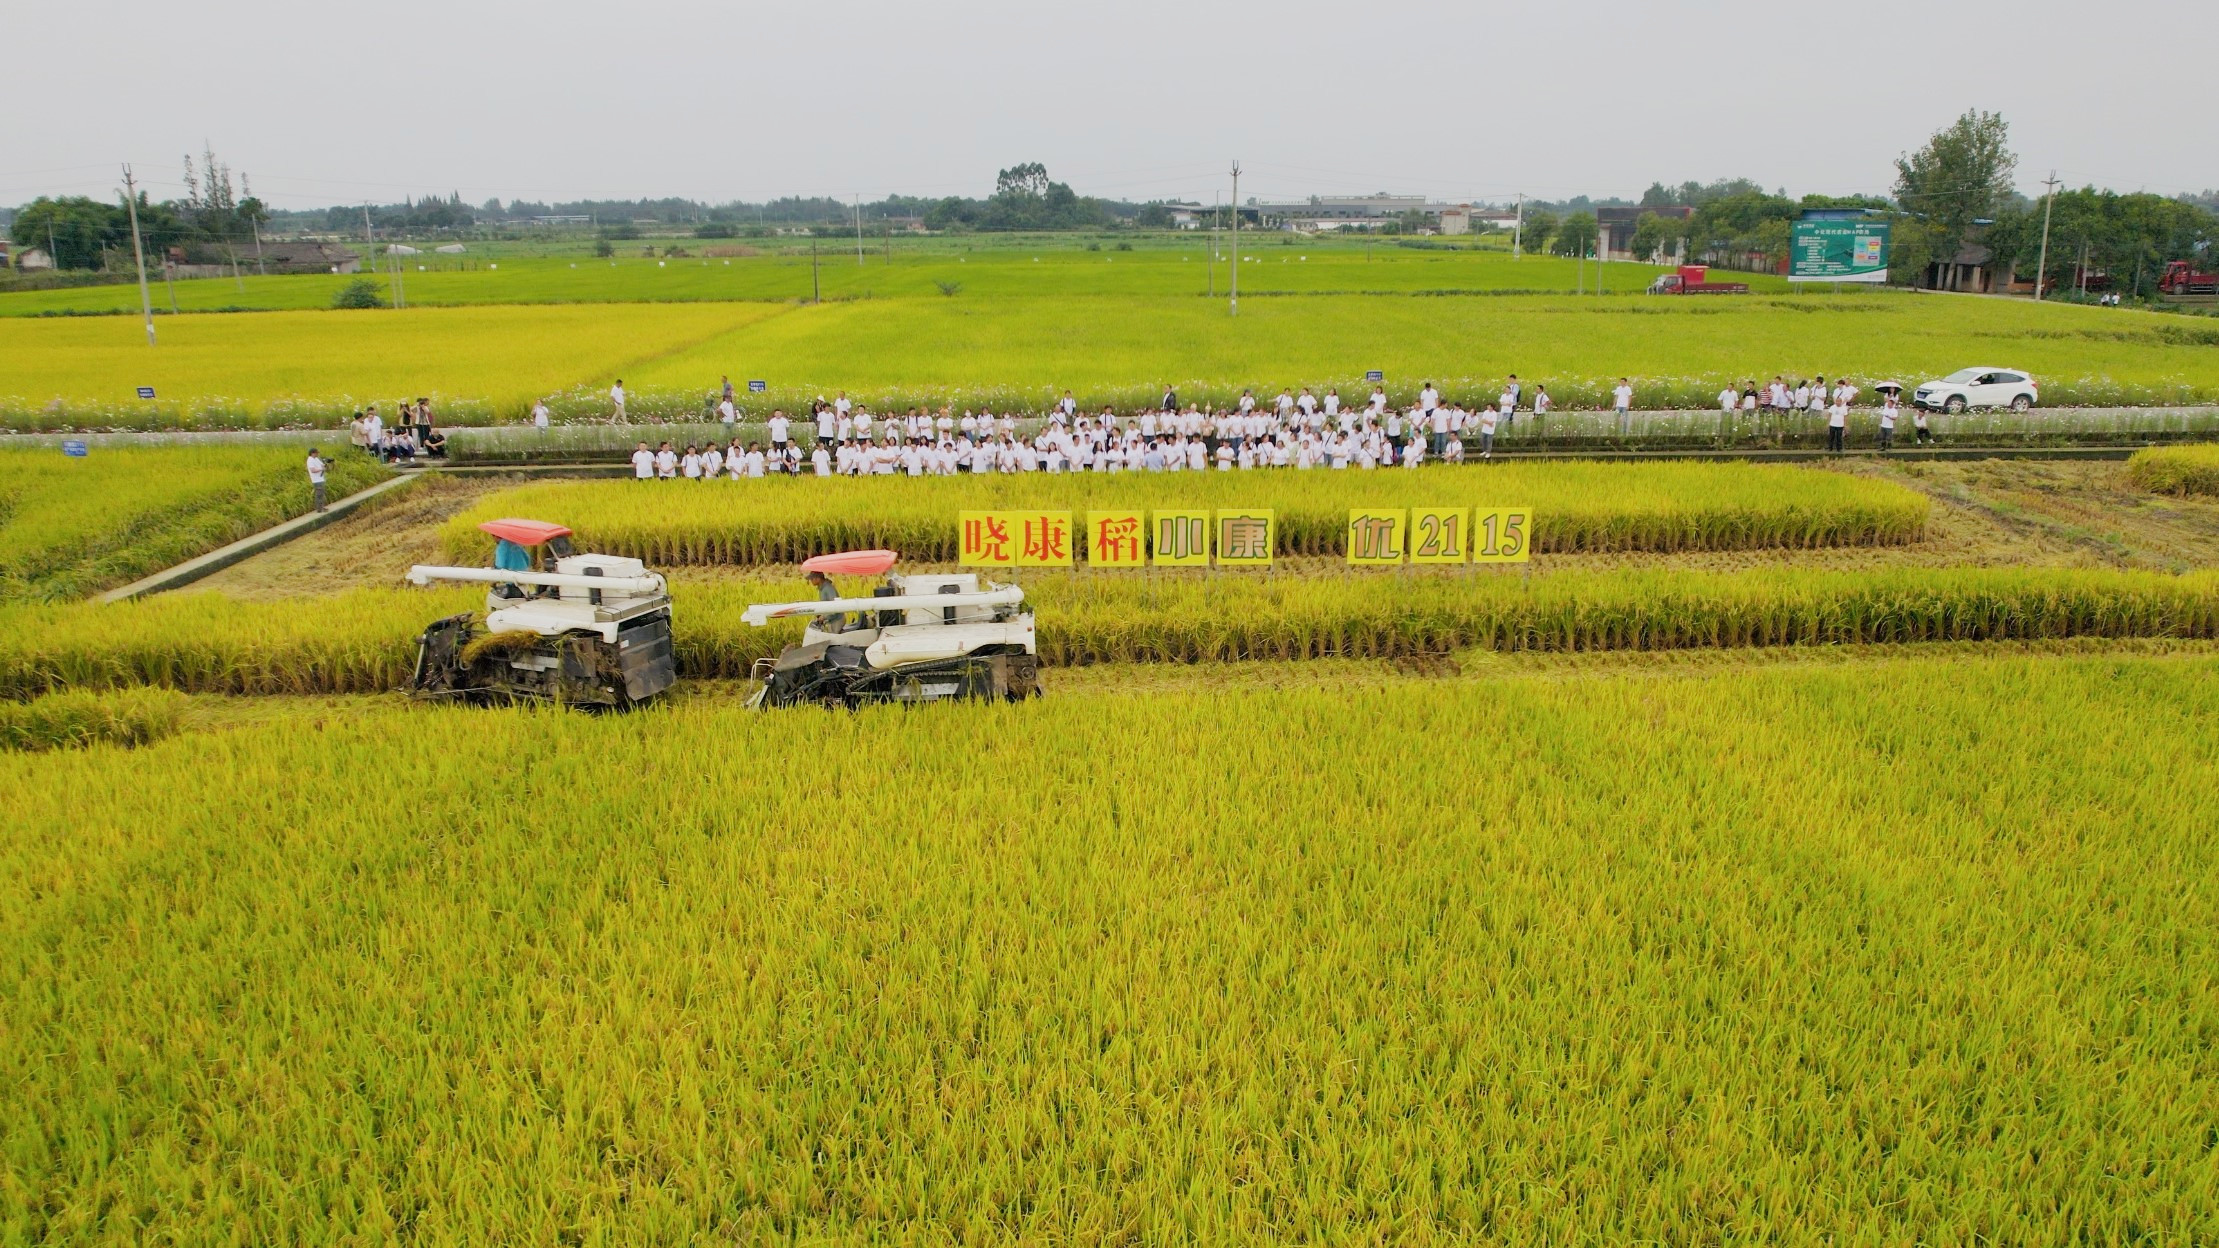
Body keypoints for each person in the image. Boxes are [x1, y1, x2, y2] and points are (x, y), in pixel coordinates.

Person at [805, 569, 846, 634]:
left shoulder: (828, 588)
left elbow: (835, 606)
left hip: (837, 620)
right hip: (832, 620)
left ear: (818, 579)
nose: (811, 581)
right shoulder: (822, 589)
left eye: (812, 579)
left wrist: (824, 617)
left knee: (834, 640)